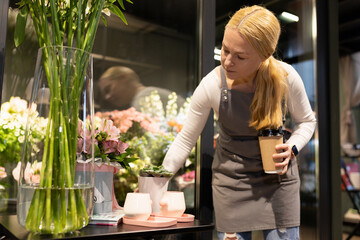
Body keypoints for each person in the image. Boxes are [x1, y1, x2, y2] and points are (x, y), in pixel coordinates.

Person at [161, 5, 316, 240]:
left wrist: (292, 147)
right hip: (231, 182)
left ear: (264, 56)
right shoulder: (212, 85)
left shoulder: (286, 77)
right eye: (225, 49)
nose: (227, 61)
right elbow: (184, 140)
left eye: (240, 56)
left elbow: (306, 121)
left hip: (278, 182)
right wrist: (158, 179)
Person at [98, 66, 185, 111]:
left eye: (108, 89)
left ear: (123, 78)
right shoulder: (148, 93)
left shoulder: (143, 98)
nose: (107, 97)